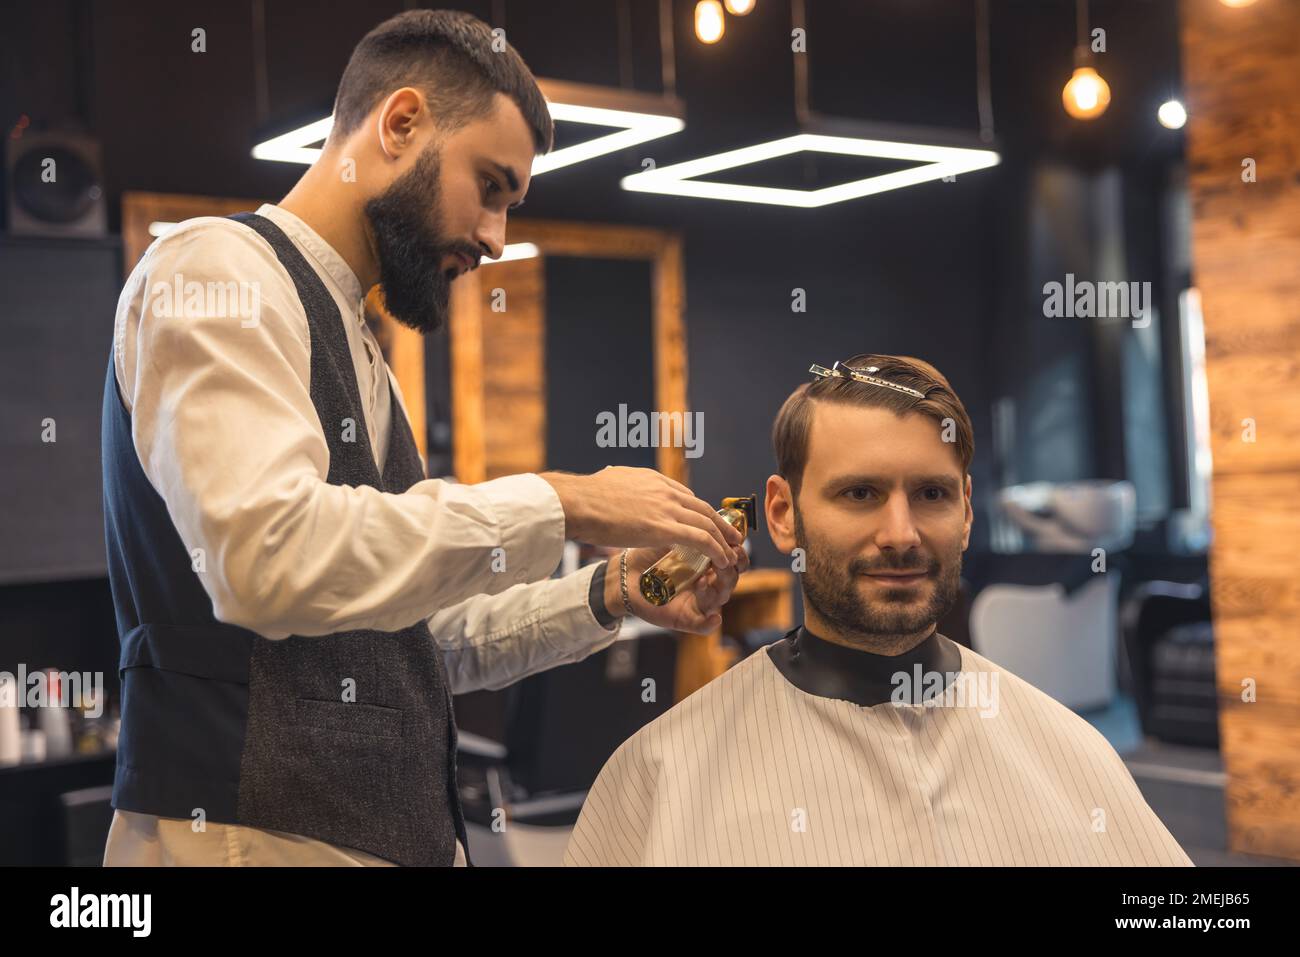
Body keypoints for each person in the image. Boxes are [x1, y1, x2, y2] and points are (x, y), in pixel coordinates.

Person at [101, 9, 747, 868]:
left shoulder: (366, 355)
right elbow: (264, 556)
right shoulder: (214, 271)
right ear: (401, 123)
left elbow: (422, 639)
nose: (496, 238)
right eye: (490, 187)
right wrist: (563, 500)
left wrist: (611, 590)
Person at [564, 354, 1192, 866]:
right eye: (860, 493)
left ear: (966, 511)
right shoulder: (664, 774)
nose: (901, 534)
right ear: (782, 514)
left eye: (931, 493)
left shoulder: (1070, 752)